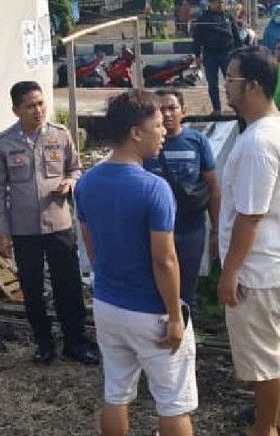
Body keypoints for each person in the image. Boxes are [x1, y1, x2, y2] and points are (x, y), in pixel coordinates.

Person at [75, 90, 197, 436]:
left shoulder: (86, 182)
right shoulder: (153, 188)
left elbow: (92, 247)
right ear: (135, 132)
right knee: (173, 402)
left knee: (116, 394)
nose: (163, 131)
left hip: (108, 304)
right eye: (157, 125)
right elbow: (165, 261)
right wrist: (175, 316)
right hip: (151, 311)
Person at [0, 81, 98, 366]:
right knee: (32, 288)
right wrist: (1, 232)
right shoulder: (3, 143)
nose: (38, 111)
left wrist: (71, 183)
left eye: (40, 104)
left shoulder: (59, 136)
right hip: (24, 230)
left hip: (59, 223)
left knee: (69, 286)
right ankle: (44, 343)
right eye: (30, 106)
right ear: (16, 110)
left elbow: (76, 168)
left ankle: (75, 342)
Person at [220, 45, 280, 436]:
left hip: (256, 270)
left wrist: (229, 271)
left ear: (254, 86)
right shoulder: (269, 131)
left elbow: (251, 215)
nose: (226, 87)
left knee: (265, 361)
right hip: (268, 262)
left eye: (231, 80)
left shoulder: (259, 143)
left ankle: (265, 428)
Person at [142, 89, 221, 315]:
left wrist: (216, 230)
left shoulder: (197, 142)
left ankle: (187, 339)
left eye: (172, 108)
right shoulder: (146, 143)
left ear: (183, 112)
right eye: (161, 109)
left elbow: (213, 188)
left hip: (190, 228)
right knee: (156, 285)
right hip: (154, 229)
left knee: (187, 288)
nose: (166, 114)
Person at [193, 0, 243, 114]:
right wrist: (197, 55)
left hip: (227, 53)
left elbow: (235, 34)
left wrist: (239, 51)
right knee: (212, 83)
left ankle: (237, 107)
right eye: (217, 3)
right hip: (210, 55)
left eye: (221, 2)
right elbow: (197, 38)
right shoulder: (203, 18)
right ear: (210, 3)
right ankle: (217, 109)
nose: (220, 5)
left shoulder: (227, 16)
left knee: (232, 82)